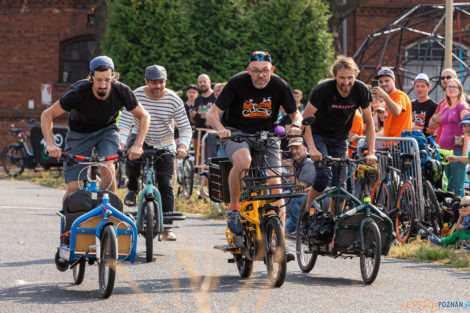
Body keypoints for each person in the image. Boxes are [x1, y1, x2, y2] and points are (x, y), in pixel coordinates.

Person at [206, 50, 303, 236]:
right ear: (248, 70)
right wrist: (220, 128)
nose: (261, 75)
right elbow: (212, 113)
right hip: (236, 133)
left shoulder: (279, 84)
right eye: (256, 70)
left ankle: (279, 238)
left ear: (272, 69)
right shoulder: (237, 83)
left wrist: (296, 124)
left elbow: (295, 113)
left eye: (265, 70)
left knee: (275, 181)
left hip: (266, 135)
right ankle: (234, 209)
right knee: (243, 160)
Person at [41, 56, 150, 203]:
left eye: (107, 79)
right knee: (75, 188)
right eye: (98, 80)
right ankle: (69, 222)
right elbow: (47, 115)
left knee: (108, 171)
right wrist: (51, 144)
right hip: (78, 133)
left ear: (113, 76)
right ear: (91, 78)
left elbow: (144, 116)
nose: (103, 85)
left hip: (107, 131)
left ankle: (103, 212)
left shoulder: (121, 90)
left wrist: (137, 145)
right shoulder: (78, 91)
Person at [118, 65, 191, 241]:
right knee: (131, 159)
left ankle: (167, 228)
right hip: (139, 139)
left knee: (166, 183)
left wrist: (182, 147)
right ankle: (133, 188)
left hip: (164, 142)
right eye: (154, 83)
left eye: (161, 82)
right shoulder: (136, 95)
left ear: (165, 82)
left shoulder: (174, 100)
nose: (158, 86)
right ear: (146, 82)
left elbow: (185, 128)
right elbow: (126, 122)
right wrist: (120, 144)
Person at [302, 55, 377, 210]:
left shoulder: (361, 90)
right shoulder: (322, 90)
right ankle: (308, 214)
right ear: (335, 76)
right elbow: (305, 120)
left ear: (355, 76)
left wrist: (371, 152)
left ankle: (334, 222)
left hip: (339, 138)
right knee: (323, 176)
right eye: (342, 78)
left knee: (340, 186)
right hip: (317, 134)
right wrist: (312, 148)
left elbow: (369, 123)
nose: (346, 82)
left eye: (350, 78)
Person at [429, 78, 469, 197]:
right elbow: (431, 124)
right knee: (445, 185)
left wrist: (464, 154)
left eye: (454, 87)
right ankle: (448, 213)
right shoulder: (446, 108)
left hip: (457, 151)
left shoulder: (462, 107)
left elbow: (468, 130)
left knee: (458, 186)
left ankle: (462, 213)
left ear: (459, 90)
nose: (451, 89)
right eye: (448, 87)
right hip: (443, 151)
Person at [284, 137, 315, 236]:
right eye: (291, 149)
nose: (293, 151)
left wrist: (289, 170)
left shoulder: (309, 163)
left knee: (289, 197)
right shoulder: (297, 163)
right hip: (305, 197)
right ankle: (284, 233)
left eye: (297, 148)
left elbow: (300, 187)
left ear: (305, 148)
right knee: (284, 231)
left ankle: (303, 226)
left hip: (317, 199)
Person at [372, 68, 412, 137]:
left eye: (386, 81)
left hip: (400, 144)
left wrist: (385, 97)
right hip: (389, 144)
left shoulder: (400, 95)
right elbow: (388, 126)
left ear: (393, 81)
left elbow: (396, 112)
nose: (383, 84)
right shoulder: (388, 99)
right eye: (380, 82)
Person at [428, 68, 459, 143]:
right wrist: (443, 115)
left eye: (448, 77)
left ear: (456, 79)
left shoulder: (459, 99)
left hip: (452, 147)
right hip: (440, 147)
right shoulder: (442, 102)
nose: (445, 80)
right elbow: (431, 124)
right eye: (442, 78)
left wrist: (438, 118)